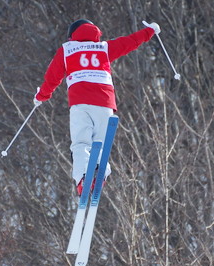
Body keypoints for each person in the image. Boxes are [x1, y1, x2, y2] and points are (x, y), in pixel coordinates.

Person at [34, 19, 160, 196]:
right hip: (105, 103)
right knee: (100, 143)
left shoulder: (67, 50)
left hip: (80, 103)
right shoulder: (103, 48)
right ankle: (101, 173)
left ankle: (83, 179)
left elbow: (52, 77)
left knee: (80, 143)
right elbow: (129, 42)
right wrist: (149, 32)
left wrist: (42, 95)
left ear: (72, 36)